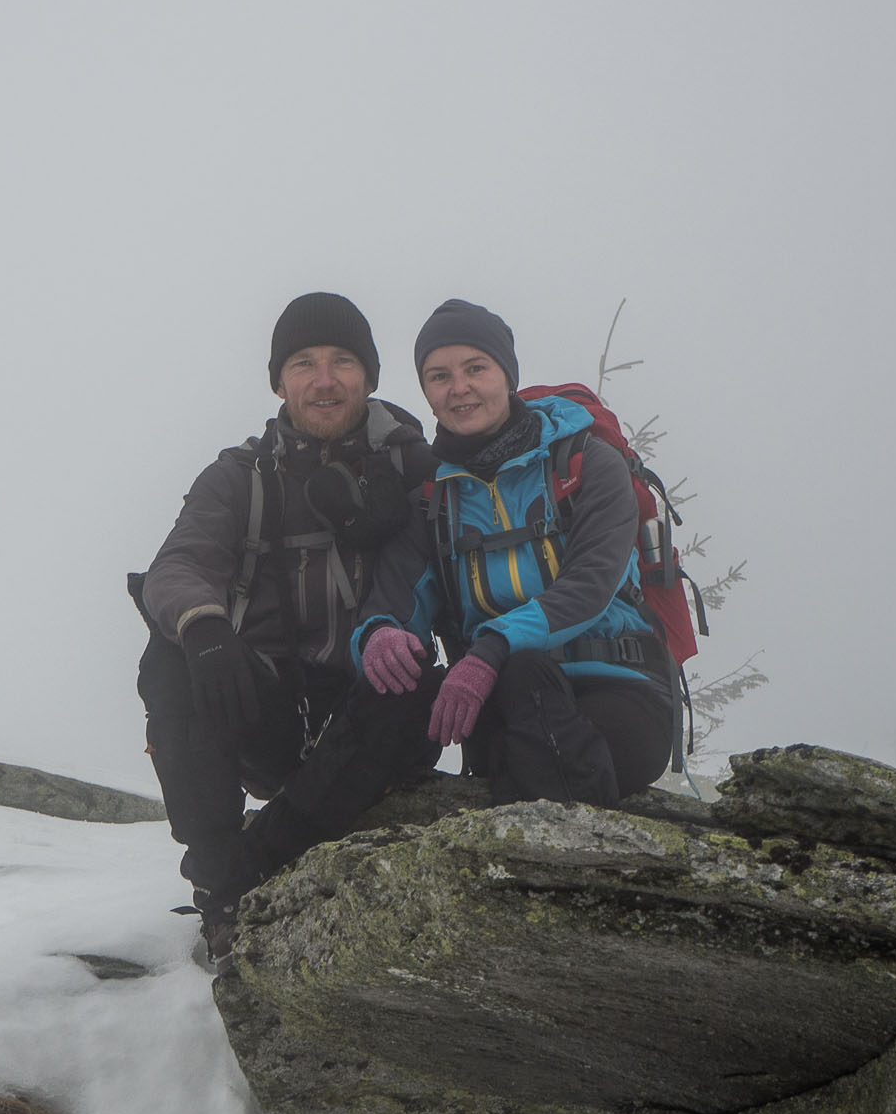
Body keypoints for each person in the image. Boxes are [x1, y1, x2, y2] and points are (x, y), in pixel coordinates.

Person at [135, 291, 442, 959]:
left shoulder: (420, 469)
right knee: (170, 655)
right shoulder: (240, 477)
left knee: (415, 680)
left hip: (373, 715)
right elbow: (177, 566)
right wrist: (205, 627)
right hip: (268, 709)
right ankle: (216, 869)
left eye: (342, 361)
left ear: (369, 377)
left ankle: (252, 863)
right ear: (279, 381)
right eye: (304, 363)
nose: (324, 379)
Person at [353, 299, 676, 807]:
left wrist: (493, 649)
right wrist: (380, 633)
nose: (458, 388)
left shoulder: (587, 462)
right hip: (503, 700)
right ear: (427, 393)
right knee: (520, 681)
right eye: (439, 376)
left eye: (475, 368)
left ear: (507, 374)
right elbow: (397, 597)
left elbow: (592, 583)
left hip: (619, 689)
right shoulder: (431, 497)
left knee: (524, 673)